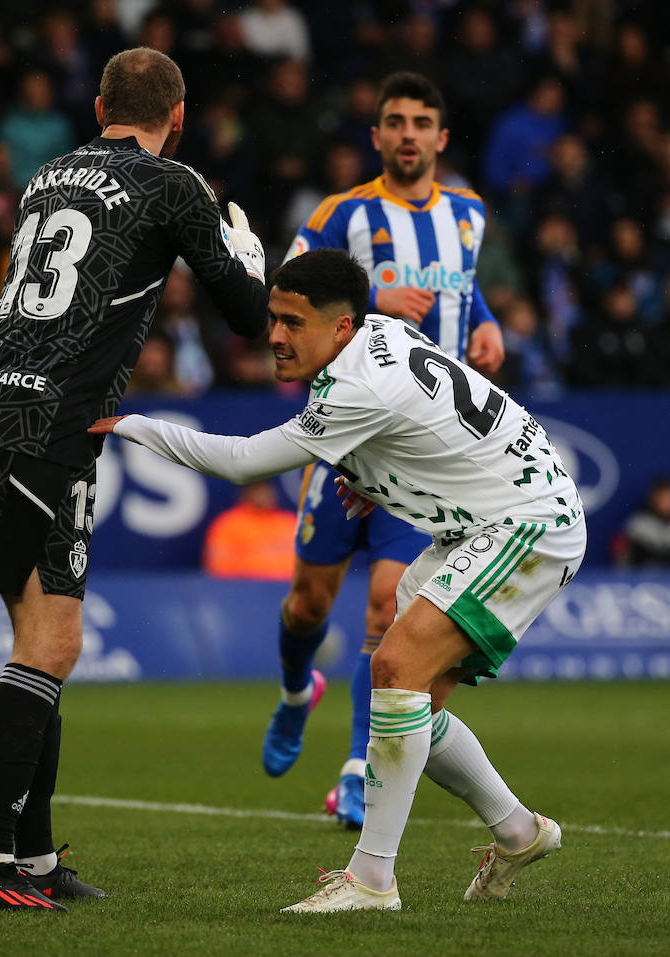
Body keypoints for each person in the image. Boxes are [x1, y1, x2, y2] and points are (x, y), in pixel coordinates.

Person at [90, 248, 585, 912]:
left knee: (395, 667)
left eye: (294, 322)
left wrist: (128, 422)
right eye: (273, 319)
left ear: (342, 327)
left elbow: (242, 462)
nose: (275, 336)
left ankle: (371, 881)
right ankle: (519, 831)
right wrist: (368, 471)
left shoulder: (357, 386)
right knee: (414, 704)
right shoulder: (382, 334)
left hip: (524, 521)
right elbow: (421, 420)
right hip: (479, 522)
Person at [0, 46, 268, 912]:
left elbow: (19, 283)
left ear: (97, 107)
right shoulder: (176, 184)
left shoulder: (49, 175)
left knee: (39, 639)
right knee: (52, 646)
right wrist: (248, 258)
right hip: (51, 421)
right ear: (181, 114)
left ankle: (35, 857)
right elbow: (245, 321)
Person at [267, 72, 505, 831]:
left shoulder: (469, 214)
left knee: (386, 603)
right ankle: (299, 689)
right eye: (395, 121)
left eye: (422, 122)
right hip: (345, 440)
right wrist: (371, 302)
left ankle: (359, 770)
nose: (408, 133)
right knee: (309, 602)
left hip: (426, 456)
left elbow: (463, 289)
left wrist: (488, 323)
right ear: (376, 137)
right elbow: (288, 293)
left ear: (440, 137)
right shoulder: (343, 213)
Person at [202, 481, 298, 580]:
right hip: (246, 587)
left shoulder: (289, 521)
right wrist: (259, 566)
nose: (263, 494)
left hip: (290, 587)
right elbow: (216, 564)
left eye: (265, 489)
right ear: (245, 493)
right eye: (256, 490)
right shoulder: (229, 523)